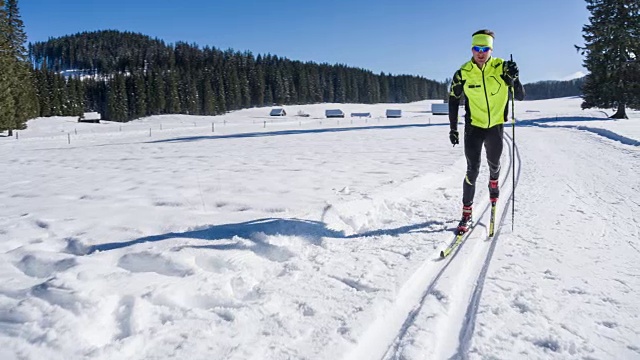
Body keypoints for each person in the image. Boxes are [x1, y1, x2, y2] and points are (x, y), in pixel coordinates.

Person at [448, 29, 525, 233]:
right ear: (472, 49)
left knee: (494, 164)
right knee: (472, 170)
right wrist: (453, 128)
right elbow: (453, 100)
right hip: (474, 127)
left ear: (491, 49)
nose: (480, 53)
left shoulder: (502, 67)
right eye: (477, 48)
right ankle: (466, 214)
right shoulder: (463, 73)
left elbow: (521, 96)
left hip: (495, 127)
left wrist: (514, 78)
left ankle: (493, 183)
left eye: (485, 48)